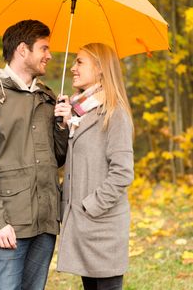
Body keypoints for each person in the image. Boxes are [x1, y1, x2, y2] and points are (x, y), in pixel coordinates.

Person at [0, 19, 71, 290]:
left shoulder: (47, 98)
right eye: (43, 48)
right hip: (9, 224)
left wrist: (62, 125)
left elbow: (57, 159)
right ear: (23, 50)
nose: (49, 55)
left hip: (46, 221)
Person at [56, 43, 134, 290]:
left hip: (103, 225)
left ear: (101, 69)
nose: (72, 67)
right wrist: (66, 125)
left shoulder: (115, 113)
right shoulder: (80, 113)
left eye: (80, 62)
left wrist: (92, 206)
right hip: (82, 224)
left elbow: (122, 173)